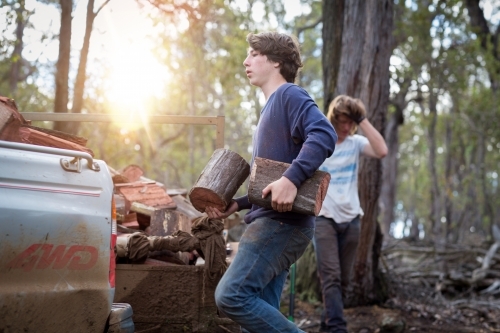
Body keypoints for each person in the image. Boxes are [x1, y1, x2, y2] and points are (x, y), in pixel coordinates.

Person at [205, 31, 338, 333]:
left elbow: (324, 134)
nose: (245, 61)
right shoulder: (270, 109)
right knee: (257, 323)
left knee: (231, 296)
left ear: (276, 61)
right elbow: (268, 182)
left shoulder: (289, 95)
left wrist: (292, 179)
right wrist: (236, 204)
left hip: (279, 226)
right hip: (272, 222)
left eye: (254, 54)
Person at [313, 95, 388, 333]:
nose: (345, 128)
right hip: (323, 219)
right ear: (333, 120)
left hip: (352, 220)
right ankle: (337, 328)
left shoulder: (355, 143)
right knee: (331, 277)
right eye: (341, 122)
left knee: (342, 281)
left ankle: (326, 326)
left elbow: (382, 150)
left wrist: (362, 119)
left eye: (350, 122)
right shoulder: (320, 145)